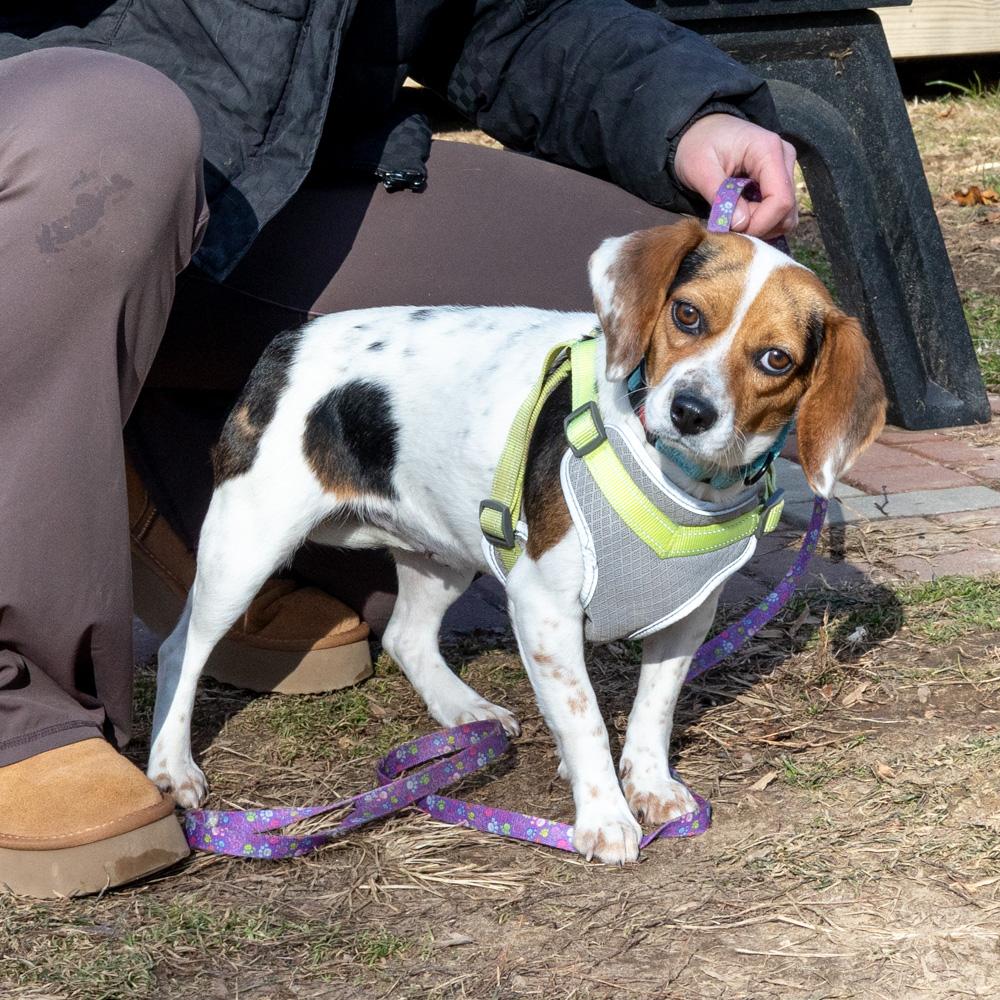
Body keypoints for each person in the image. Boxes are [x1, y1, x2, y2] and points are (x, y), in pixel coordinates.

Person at [0, 0, 797, 898]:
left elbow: (513, 18)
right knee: (111, 124)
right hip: (54, 154)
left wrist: (687, 113)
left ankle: (170, 456)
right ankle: (20, 695)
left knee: (637, 270)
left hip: (279, 179)